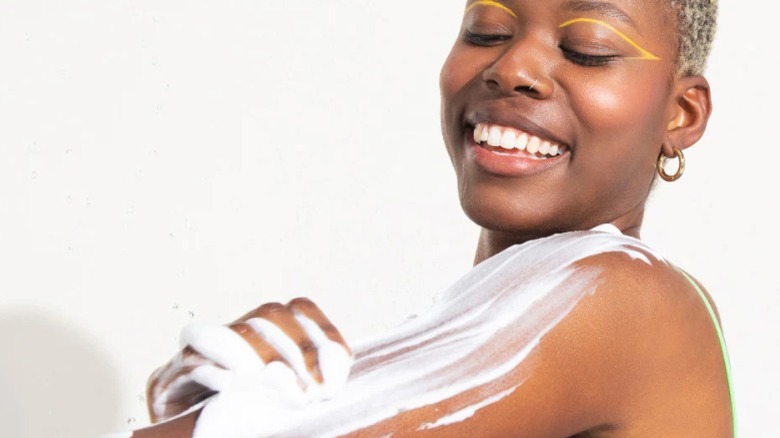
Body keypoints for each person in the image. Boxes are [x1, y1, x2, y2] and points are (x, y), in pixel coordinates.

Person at [126, 0, 733, 436]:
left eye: (587, 49)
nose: (512, 68)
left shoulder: (621, 295)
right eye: (487, 30)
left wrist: (208, 412)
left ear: (682, 114)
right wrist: (211, 398)